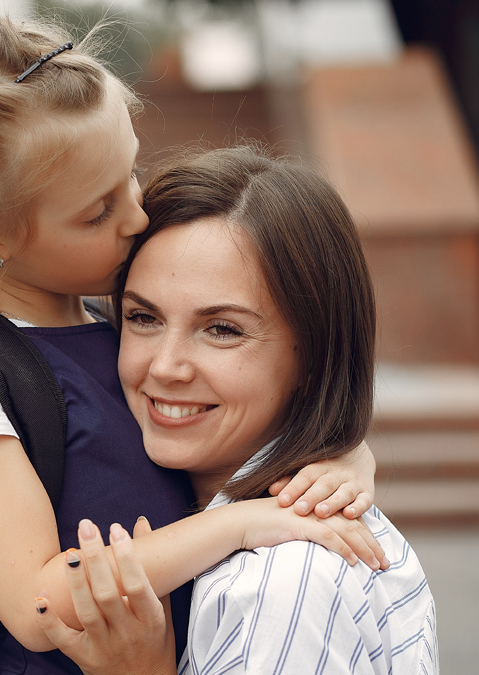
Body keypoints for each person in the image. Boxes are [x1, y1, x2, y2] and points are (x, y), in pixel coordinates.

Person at [0, 15, 384, 673]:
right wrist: (243, 525)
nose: (138, 217)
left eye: (132, 177)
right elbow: (38, 603)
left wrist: (343, 458)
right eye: (97, 211)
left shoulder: (123, 324)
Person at [33, 146, 438, 674]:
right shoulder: (185, 511)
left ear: (315, 355)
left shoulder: (283, 582)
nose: (166, 367)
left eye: (222, 329)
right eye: (143, 317)